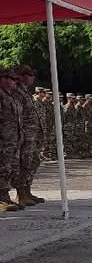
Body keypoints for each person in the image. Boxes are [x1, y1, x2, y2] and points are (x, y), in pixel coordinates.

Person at [12, 66, 45, 205]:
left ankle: (27, 190)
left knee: (31, 162)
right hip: (24, 134)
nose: (32, 77)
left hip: (32, 135)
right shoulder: (16, 93)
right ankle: (21, 193)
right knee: (23, 163)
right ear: (20, 76)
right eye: (29, 75)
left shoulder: (25, 92)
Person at [0, 69, 25, 211]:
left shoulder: (10, 96)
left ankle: (5, 196)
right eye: (10, 78)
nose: (14, 81)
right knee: (2, 168)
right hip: (3, 140)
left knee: (9, 168)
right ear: (2, 79)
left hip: (13, 140)